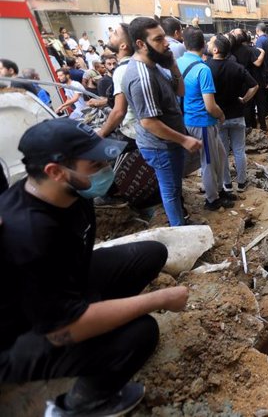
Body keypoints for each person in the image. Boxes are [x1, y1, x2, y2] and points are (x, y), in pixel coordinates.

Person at [0, 118, 189, 416]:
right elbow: (60, 328)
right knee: (141, 333)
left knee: (150, 254)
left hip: (57, 291)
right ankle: (82, 404)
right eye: (95, 164)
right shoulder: (30, 235)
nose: (105, 170)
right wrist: (158, 299)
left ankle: (97, 325)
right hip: (20, 336)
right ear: (55, 171)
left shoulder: (72, 194)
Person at [121, 16, 202, 226]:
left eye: (164, 38)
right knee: (170, 191)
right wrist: (184, 140)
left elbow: (180, 90)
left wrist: (172, 64)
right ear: (140, 44)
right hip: (161, 146)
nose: (166, 43)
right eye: (158, 39)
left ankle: (180, 223)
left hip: (169, 143)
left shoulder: (155, 66)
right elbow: (149, 122)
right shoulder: (142, 77)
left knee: (174, 187)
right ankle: (180, 230)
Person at [177, 27, 231, 211]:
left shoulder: (178, 63)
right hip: (202, 121)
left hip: (190, 118)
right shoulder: (202, 69)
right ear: (202, 45)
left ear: (185, 44)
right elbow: (210, 105)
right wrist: (221, 114)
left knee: (220, 155)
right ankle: (212, 199)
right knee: (208, 162)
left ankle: (219, 189)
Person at [207, 35, 258, 194]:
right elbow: (254, 86)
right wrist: (244, 100)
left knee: (222, 153)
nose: (208, 44)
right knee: (239, 151)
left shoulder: (206, 68)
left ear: (215, 49)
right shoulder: (236, 67)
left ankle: (227, 184)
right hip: (237, 114)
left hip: (218, 116)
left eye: (210, 43)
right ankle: (242, 183)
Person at [97, 23, 136, 139]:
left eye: (115, 34)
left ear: (123, 46)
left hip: (133, 131)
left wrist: (101, 133)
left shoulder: (122, 70)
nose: (110, 35)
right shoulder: (135, 64)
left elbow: (119, 111)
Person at [229, 29, 265, 130]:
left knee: (246, 105)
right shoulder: (249, 50)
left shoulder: (231, 50)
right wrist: (262, 53)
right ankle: (255, 126)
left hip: (240, 81)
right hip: (248, 79)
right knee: (252, 104)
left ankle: (249, 126)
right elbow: (257, 63)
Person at [254, 23, 268, 131]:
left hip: (262, 69)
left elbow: (258, 56)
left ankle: (265, 112)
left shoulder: (260, 41)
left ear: (257, 30)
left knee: (263, 93)